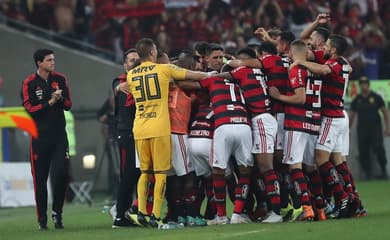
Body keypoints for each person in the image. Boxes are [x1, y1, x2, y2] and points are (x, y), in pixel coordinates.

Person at [127, 38, 208, 228]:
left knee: (144, 173)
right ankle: (155, 215)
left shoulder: (131, 74)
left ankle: (141, 213)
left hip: (139, 128)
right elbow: (195, 75)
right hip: (160, 128)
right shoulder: (163, 69)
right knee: (162, 174)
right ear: (152, 53)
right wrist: (214, 74)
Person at [21, 49, 72, 230]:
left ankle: (57, 212)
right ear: (39, 63)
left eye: (53, 59)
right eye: (49, 60)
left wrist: (59, 98)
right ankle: (42, 220)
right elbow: (29, 109)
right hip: (39, 138)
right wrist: (49, 102)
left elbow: (68, 105)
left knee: (61, 174)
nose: (53, 62)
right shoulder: (29, 83)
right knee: (40, 180)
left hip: (59, 137)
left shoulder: (61, 79)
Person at [110, 48, 141, 228]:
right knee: (128, 174)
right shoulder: (121, 82)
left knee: (139, 174)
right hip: (127, 133)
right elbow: (117, 86)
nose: (134, 62)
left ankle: (129, 211)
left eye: (137, 59)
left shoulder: (141, 80)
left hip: (141, 132)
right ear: (125, 65)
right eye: (131, 60)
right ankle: (120, 215)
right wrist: (117, 88)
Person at [350, 76, 390, 180]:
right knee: (363, 150)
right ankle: (367, 174)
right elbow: (352, 115)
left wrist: (387, 127)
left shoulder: (376, 97)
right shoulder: (357, 99)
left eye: (365, 83)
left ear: (368, 84)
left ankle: (383, 171)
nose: (364, 85)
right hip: (362, 129)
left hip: (375, 128)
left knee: (379, 149)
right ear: (360, 85)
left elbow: (385, 112)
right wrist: (348, 129)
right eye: (362, 83)